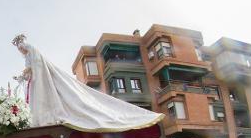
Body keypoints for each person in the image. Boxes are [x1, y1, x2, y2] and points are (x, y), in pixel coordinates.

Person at [12, 34, 163, 130]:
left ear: (22, 45)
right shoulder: (27, 56)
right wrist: (23, 76)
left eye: (20, 47)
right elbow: (31, 70)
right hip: (36, 83)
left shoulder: (32, 50)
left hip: (42, 83)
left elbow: (36, 66)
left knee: (76, 102)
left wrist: (26, 72)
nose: (20, 51)